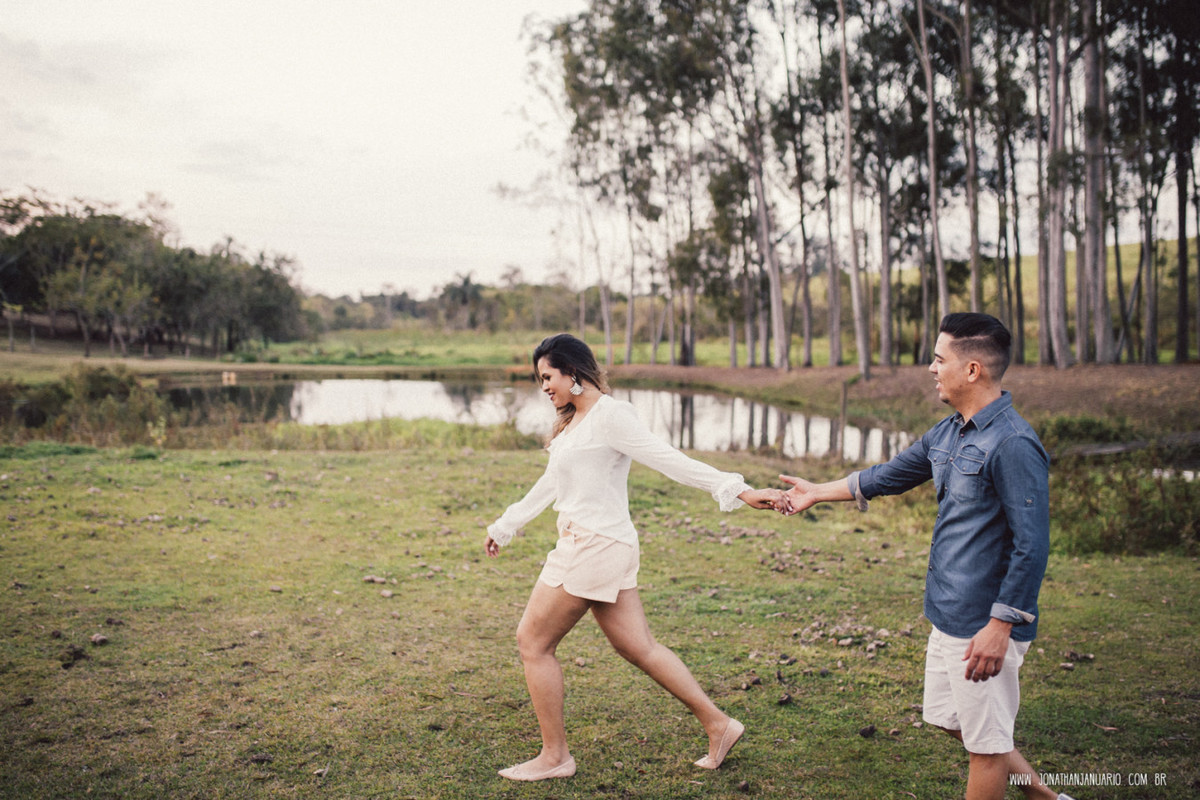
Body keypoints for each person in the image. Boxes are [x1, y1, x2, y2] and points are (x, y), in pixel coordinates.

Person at [775, 313, 1074, 800]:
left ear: (972, 370)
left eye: (939, 359)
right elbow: (888, 475)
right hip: (949, 613)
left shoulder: (1013, 444)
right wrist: (816, 492)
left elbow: (1032, 544)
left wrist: (1002, 626)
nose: (931, 368)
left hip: (984, 621)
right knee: (951, 721)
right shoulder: (951, 432)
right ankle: (1046, 797)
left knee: (986, 748)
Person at [485, 333, 781, 782]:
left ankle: (555, 757)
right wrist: (506, 525)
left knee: (533, 642)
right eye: (539, 379)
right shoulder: (575, 423)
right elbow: (551, 484)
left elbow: (670, 460)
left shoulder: (611, 416)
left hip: (594, 546)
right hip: (601, 544)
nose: (544, 387)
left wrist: (737, 490)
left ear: (573, 372)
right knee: (638, 647)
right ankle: (719, 724)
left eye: (547, 377)